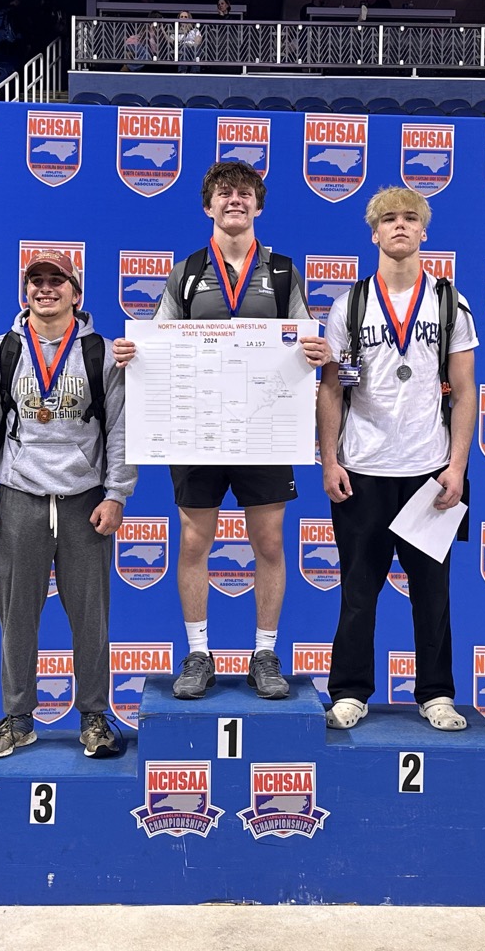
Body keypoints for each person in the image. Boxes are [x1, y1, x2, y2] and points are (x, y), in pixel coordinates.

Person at [112, 162, 330, 703]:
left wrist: (318, 350)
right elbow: (156, 338)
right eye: (224, 193)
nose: (235, 200)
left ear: (259, 205)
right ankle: (198, 653)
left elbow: (308, 338)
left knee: (269, 543)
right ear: (208, 205)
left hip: (264, 430)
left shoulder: (283, 272)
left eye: (245, 193)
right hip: (196, 430)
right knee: (194, 542)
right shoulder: (186, 272)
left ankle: (265, 654)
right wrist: (133, 350)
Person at [316, 187, 478, 733]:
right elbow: (332, 388)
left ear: (424, 232)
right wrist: (329, 460)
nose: (400, 226)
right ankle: (349, 692)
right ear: (375, 233)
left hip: (428, 471)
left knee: (432, 594)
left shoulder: (450, 303)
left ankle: (436, 693)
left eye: (411, 218)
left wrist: (456, 467)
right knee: (358, 593)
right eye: (389, 219)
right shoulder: (350, 305)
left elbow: (465, 390)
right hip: (362, 469)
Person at [0, 250, 135, 760]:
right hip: (19, 499)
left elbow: (121, 430)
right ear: (25, 292)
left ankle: (94, 717)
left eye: (56, 281)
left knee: (91, 619)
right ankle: (18, 718)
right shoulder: (0, 352)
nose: (45, 288)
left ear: (75, 293)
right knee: (16, 618)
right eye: (35, 280)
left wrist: (116, 493)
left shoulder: (102, 353)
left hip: (85, 502)